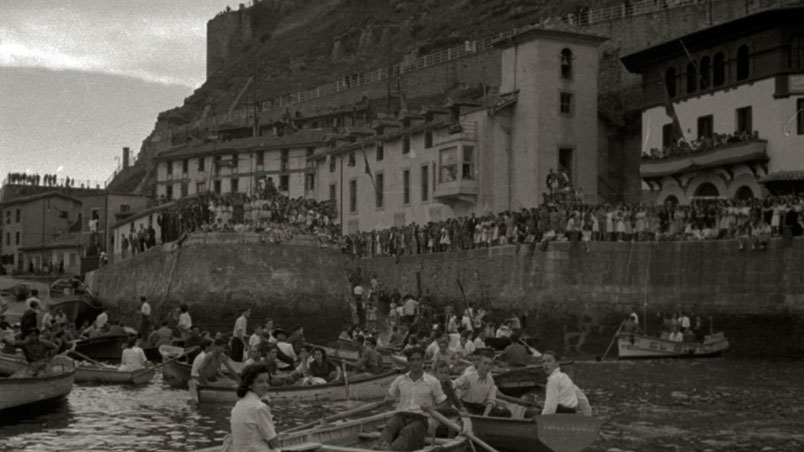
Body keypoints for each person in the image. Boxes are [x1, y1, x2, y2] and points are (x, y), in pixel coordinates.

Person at [376, 347, 448, 451]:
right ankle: (382, 447)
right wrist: (388, 399)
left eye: (418, 359)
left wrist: (432, 409)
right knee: (390, 426)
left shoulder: (433, 382)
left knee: (408, 431)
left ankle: (390, 450)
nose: (415, 363)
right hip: (401, 415)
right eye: (412, 360)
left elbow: (443, 404)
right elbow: (390, 396)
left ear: (423, 361)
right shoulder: (400, 379)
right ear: (408, 362)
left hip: (420, 418)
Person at [229, 363, 279, 452]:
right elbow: (273, 443)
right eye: (260, 381)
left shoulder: (238, 405)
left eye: (267, 381)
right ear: (250, 383)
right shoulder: (260, 407)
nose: (265, 385)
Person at [453, 348, 510, 417]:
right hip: (466, 406)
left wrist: (485, 415)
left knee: (506, 412)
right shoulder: (468, 377)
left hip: (480, 407)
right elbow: (452, 385)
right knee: (465, 414)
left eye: (490, 364)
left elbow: (491, 400)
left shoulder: (490, 381)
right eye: (485, 363)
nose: (487, 367)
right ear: (479, 364)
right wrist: (459, 391)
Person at [541, 350, 583, 415]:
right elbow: (583, 399)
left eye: (549, 361)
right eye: (543, 362)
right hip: (572, 413)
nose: (545, 364)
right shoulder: (565, 377)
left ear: (557, 363)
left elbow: (550, 407)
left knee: (526, 412)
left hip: (560, 414)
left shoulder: (553, 379)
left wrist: (541, 420)